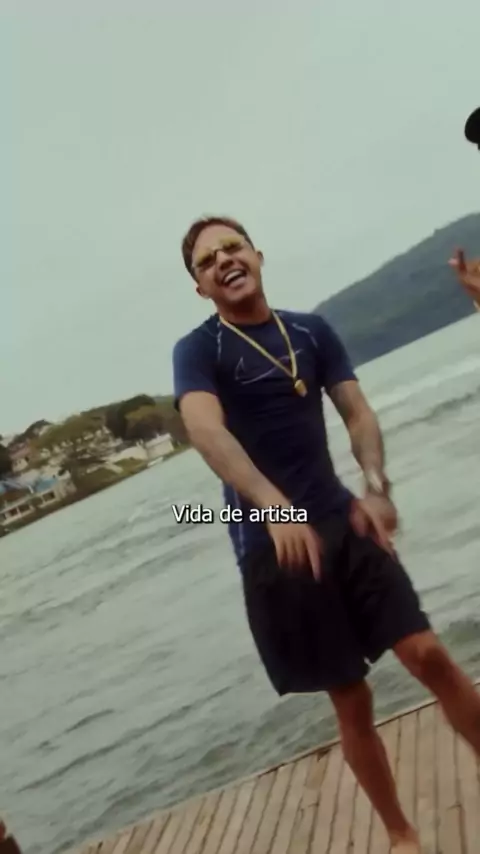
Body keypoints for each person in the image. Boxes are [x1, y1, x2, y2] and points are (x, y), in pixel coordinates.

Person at [172, 215, 480, 853]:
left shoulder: (311, 331)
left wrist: (376, 484)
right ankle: (401, 835)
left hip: (344, 521)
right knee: (351, 696)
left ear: (258, 255)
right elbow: (204, 428)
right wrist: (271, 506)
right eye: (207, 260)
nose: (223, 260)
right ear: (200, 287)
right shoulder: (199, 351)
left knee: (428, 653)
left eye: (232, 247)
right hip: (277, 543)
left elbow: (356, 412)